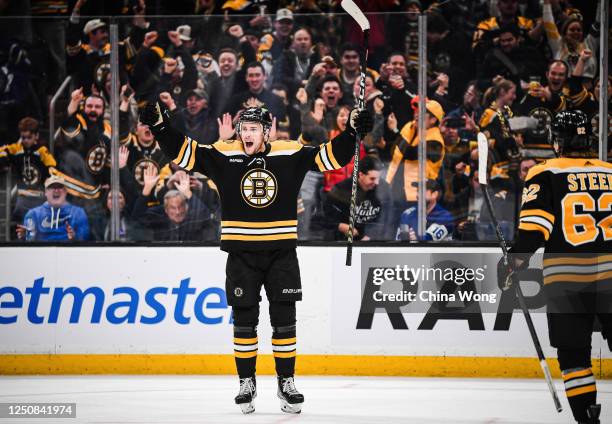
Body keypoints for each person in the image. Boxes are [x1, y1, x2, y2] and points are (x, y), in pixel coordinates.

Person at [139, 102, 372, 414]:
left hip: (281, 253)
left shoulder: (289, 151)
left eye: (253, 129)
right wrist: (160, 127)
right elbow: (184, 153)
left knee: (284, 323)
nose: (247, 134)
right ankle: (246, 382)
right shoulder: (223, 153)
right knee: (245, 323)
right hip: (241, 254)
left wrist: (352, 132)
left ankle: (286, 382)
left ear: (267, 131)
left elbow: (330, 157)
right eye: (243, 128)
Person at [498, 111, 611, 424]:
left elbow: (535, 229)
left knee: (574, 356)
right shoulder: (611, 172)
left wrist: (514, 262)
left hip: (568, 278)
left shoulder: (545, 172)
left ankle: (588, 420)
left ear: (557, 140)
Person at [0, 117, 56, 230]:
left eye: (29, 137)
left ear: (37, 136)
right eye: (23, 137)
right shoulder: (16, 149)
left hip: (40, 198)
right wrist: (4, 158)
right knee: (18, 228)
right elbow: (2, 150)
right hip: (22, 198)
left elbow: (52, 165)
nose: (26, 140)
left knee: (40, 230)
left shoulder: (42, 151)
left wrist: (50, 171)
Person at [323, 156, 393, 241]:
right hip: (345, 241)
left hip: (374, 240)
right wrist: (340, 225)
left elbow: (388, 218)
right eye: (372, 178)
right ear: (361, 175)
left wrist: (372, 236)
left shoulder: (384, 188)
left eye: (378, 178)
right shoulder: (341, 189)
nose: (377, 182)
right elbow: (324, 217)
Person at [18, 176, 89, 241]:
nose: (56, 190)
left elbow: (85, 240)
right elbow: (29, 242)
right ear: (46, 192)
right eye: (52, 187)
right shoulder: (33, 214)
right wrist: (25, 237)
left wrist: (74, 238)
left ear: (65, 192)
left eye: (59, 187)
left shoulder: (78, 213)